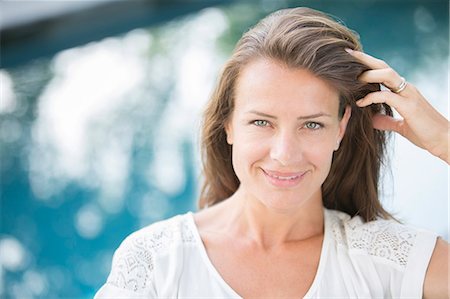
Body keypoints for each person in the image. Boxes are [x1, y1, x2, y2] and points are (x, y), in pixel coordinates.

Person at [95, 7, 449, 298]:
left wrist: (444, 140)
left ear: (340, 128)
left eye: (311, 124)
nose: (284, 154)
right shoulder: (156, 262)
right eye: (262, 122)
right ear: (228, 124)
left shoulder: (387, 261)